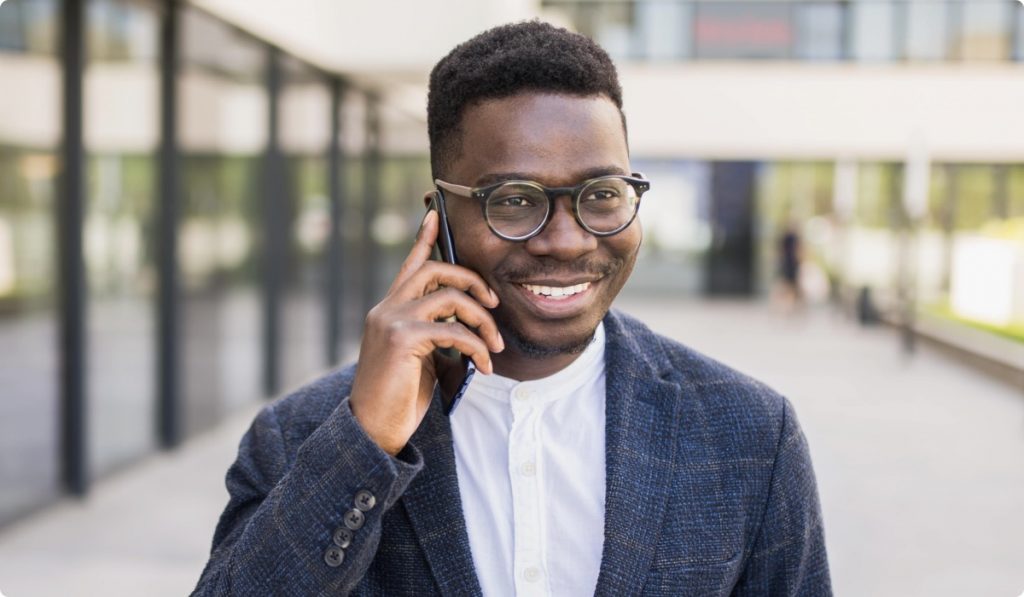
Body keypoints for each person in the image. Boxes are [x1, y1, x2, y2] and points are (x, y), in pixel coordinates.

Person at [193, 21, 831, 596]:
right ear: (439, 216)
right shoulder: (304, 437)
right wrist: (367, 443)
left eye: (602, 193)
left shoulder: (750, 435)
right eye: (514, 201)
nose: (567, 240)